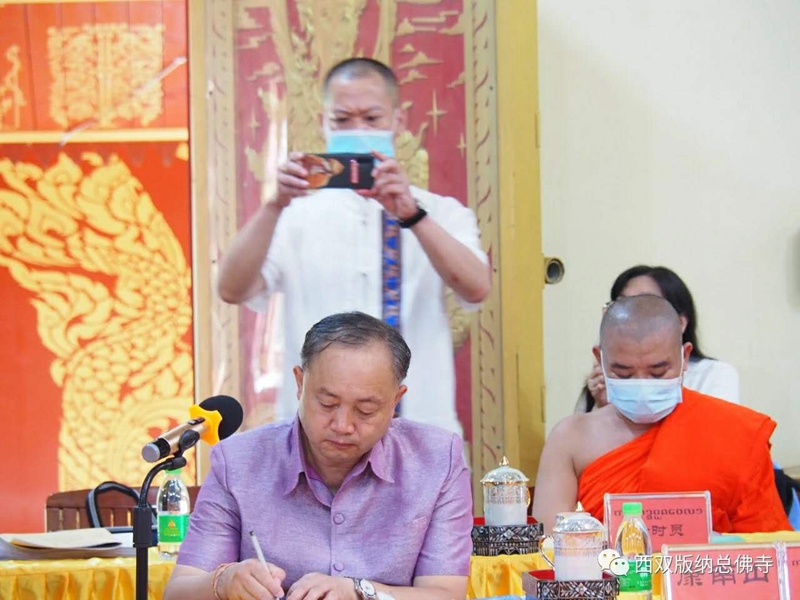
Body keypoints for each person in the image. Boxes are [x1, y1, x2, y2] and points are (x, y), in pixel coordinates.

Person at [217, 57, 491, 435]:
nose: (358, 130)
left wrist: (412, 215)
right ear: (323, 123)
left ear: (397, 121)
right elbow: (231, 289)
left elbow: (477, 288)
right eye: (343, 120)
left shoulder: (441, 212)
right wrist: (275, 204)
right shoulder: (293, 216)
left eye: (372, 119)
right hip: (318, 436)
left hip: (417, 429)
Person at [164, 312, 472, 600]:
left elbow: (446, 594)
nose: (342, 425)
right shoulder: (238, 462)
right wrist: (222, 582)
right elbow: (178, 591)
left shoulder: (437, 459)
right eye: (327, 404)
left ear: (395, 401)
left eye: (365, 410)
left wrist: (358, 591)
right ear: (300, 384)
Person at [533, 295, 790, 535]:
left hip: (705, 568)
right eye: (623, 374)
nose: (642, 384)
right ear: (600, 359)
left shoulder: (735, 432)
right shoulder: (571, 438)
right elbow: (549, 545)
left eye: (658, 373)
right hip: (604, 570)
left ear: (685, 357)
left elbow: (767, 545)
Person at [575, 265, 739, 413]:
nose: (630, 314)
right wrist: (604, 407)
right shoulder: (602, 380)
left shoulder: (714, 375)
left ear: (680, 323)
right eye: (623, 373)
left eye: (658, 373)